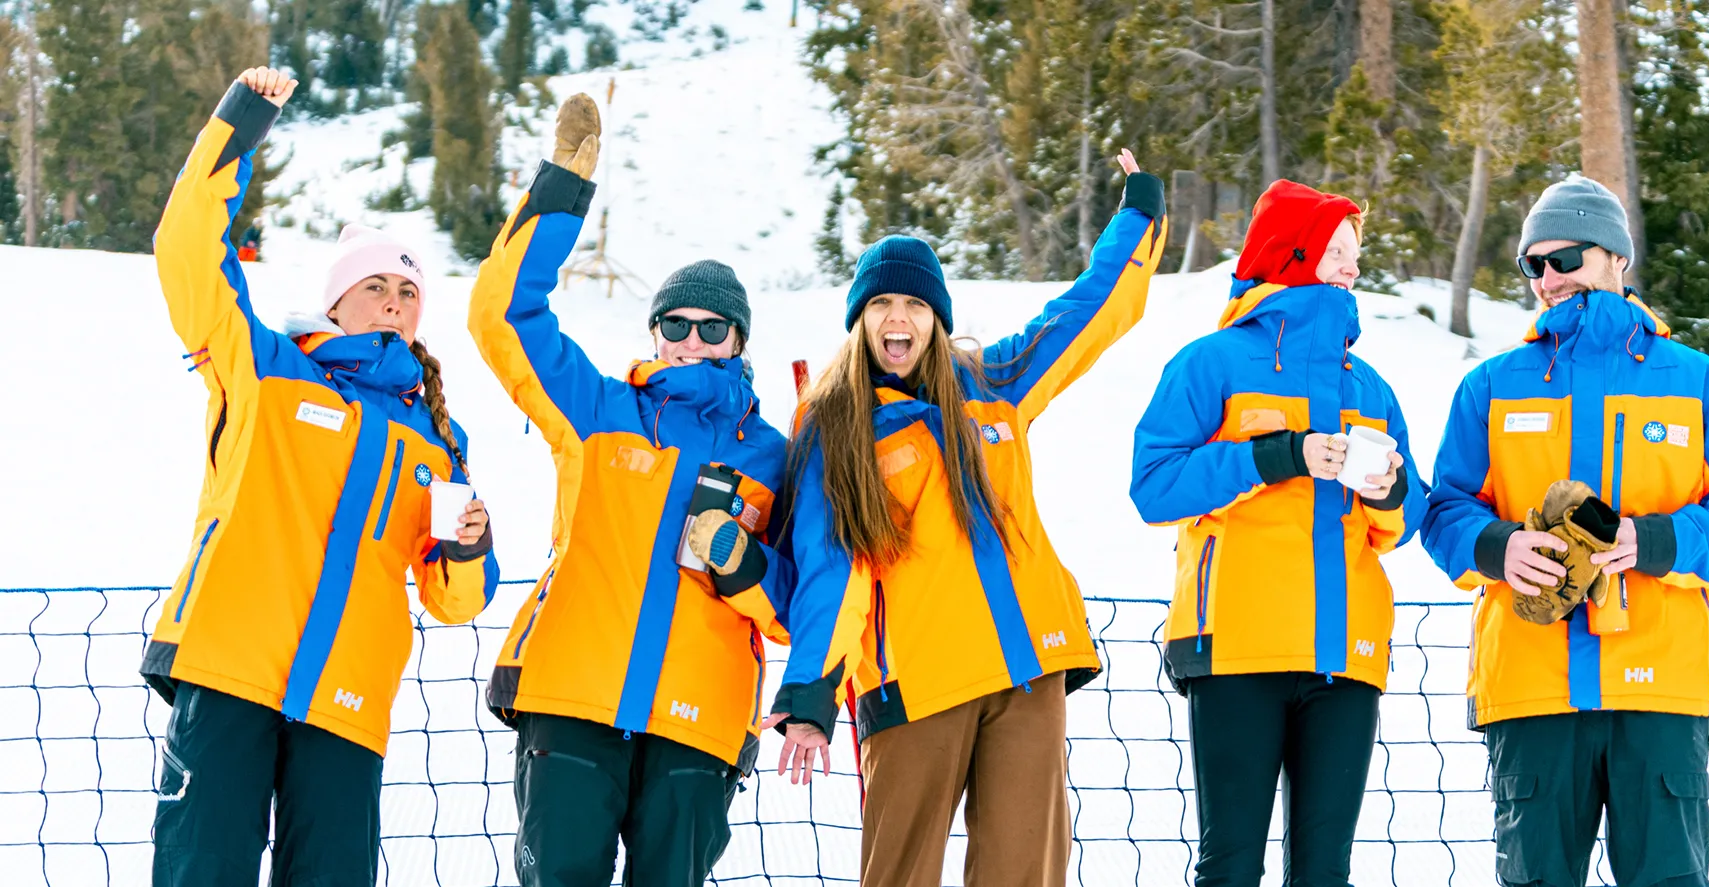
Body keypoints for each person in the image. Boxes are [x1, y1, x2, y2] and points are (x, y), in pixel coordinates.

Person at [767, 151, 1166, 887]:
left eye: (917, 305)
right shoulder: (835, 428)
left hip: (1025, 672)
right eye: (883, 304)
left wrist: (1138, 215)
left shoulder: (995, 385)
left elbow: (1090, 311)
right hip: (916, 686)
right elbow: (831, 569)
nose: (900, 317)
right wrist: (811, 691)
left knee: (1024, 875)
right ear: (860, 321)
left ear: (937, 319)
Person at [143, 67, 498, 887]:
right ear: (336, 303)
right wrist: (241, 123)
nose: (393, 301)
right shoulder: (265, 368)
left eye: (407, 291)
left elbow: (456, 601)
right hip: (230, 666)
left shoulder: (438, 437)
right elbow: (186, 245)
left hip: (346, 700)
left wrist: (472, 548)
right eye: (374, 285)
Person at [1422, 174, 1709, 887]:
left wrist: (1655, 542)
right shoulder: (1492, 385)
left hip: (1665, 684)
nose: (1550, 278)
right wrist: (1499, 547)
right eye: (1534, 264)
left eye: (1568, 258)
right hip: (1530, 684)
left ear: (1618, 257)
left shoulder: (1698, 381)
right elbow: (1445, 510)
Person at [466, 94, 792, 887]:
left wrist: (743, 563)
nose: (691, 340)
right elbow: (502, 317)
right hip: (575, 701)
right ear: (653, 332)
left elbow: (796, 607)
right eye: (673, 324)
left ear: (740, 338)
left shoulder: (779, 456)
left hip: (698, 722)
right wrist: (560, 192)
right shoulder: (599, 409)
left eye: (712, 327)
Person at [1129, 180, 1424, 886]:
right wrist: (1277, 455)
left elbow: (1403, 522)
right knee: (1230, 867)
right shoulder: (1213, 361)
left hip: (1345, 657)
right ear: (1293, 253)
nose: (1354, 266)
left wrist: (1389, 489)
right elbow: (1155, 485)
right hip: (1234, 649)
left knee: (1325, 873)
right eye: (1339, 251)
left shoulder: (1371, 386)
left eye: (1357, 253)